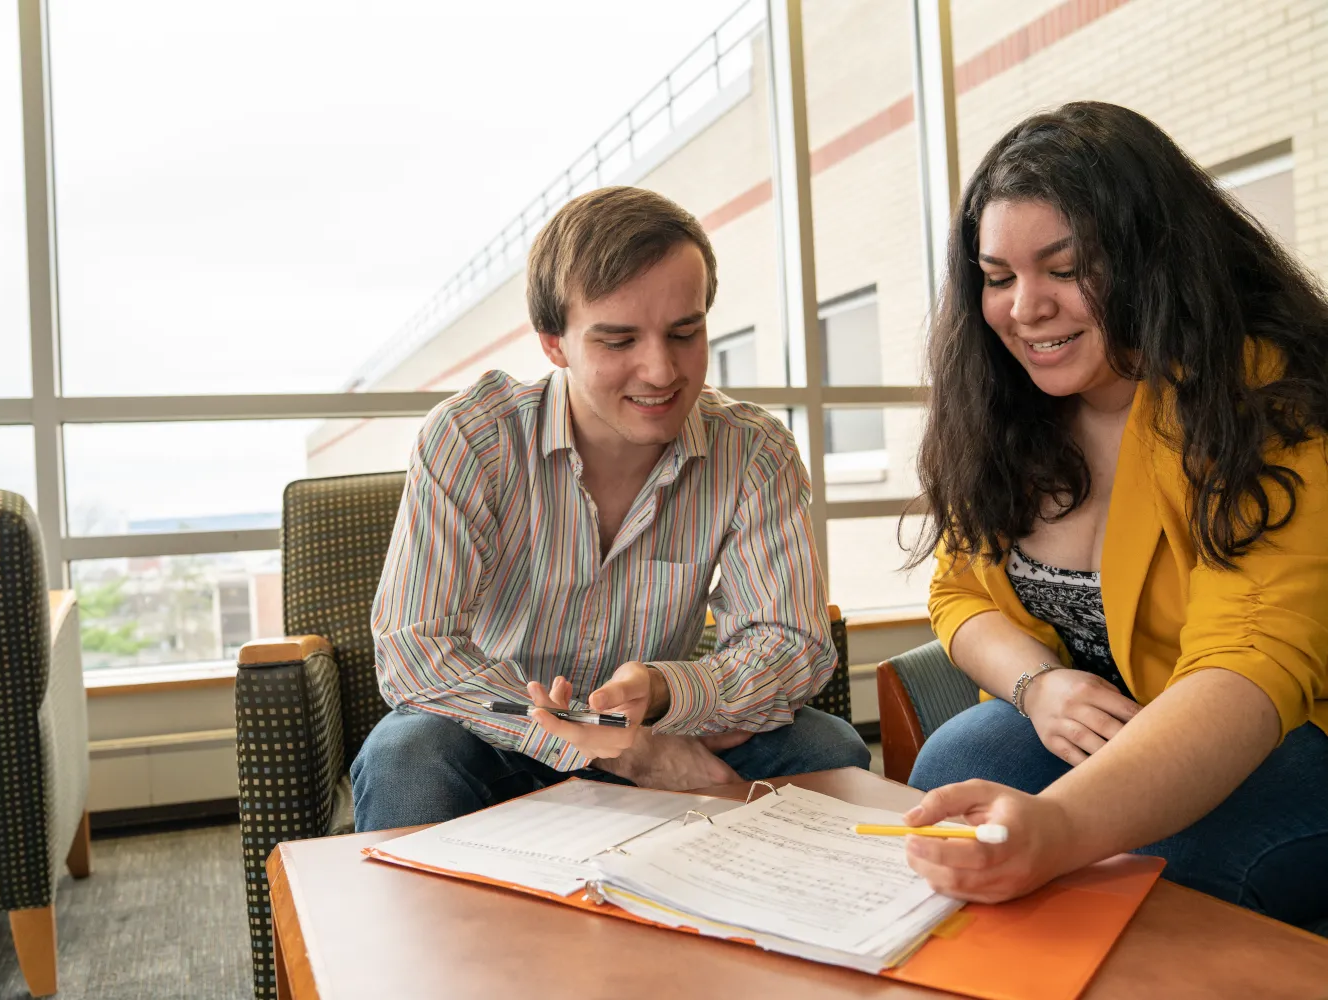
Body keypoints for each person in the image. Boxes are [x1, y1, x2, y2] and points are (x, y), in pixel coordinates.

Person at [903, 101, 1328, 932]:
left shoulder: (1259, 390)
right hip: (1119, 712)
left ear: (1154, 260)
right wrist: (1039, 686)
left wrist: (1063, 827)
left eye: (1067, 268)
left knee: (1166, 877)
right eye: (998, 277)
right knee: (958, 759)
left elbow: (1250, 662)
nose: (1026, 308)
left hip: (1286, 730)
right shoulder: (1009, 409)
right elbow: (958, 592)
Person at [350, 186, 868, 832]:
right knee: (405, 757)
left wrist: (665, 692)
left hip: (671, 724)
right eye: (618, 341)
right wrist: (623, 750)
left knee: (828, 751)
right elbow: (415, 650)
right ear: (553, 344)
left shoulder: (754, 450)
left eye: (685, 333)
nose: (660, 371)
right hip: (498, 733)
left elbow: (793, 644)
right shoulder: (471, 437)